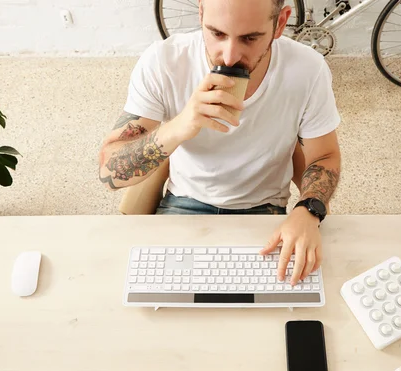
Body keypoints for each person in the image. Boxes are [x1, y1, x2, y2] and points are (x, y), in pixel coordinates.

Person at [98, 0, 342, 286]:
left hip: (264, 208)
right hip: (184, 203)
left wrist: (309, 211)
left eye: (249, 38)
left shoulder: (307, 69)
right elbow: (109, 171)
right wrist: (179, 126)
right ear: (201, 13)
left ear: (280, 23)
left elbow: (324, 156)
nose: (228, 57)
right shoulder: (164, 62)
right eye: (216, 33)